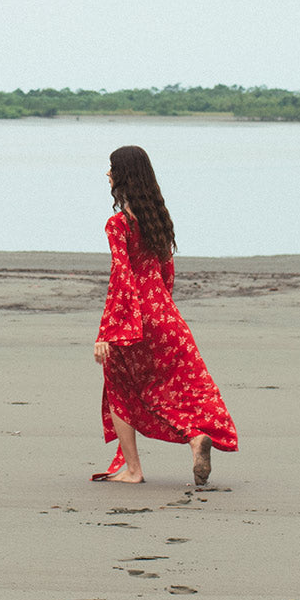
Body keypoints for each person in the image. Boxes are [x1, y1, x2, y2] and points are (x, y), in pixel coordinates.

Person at [92, 144, 238, 486]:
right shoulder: (158, 220)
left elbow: (121, 277)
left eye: (111, 168)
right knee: (176, 388)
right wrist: (162, 310)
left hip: (135, 317)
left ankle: (133, 470)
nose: (107, 174)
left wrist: (107, 332)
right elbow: (166, 271)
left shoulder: (118, 224)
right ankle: (195, 436)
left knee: (120, 387)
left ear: (123, 176)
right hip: (166, 315)